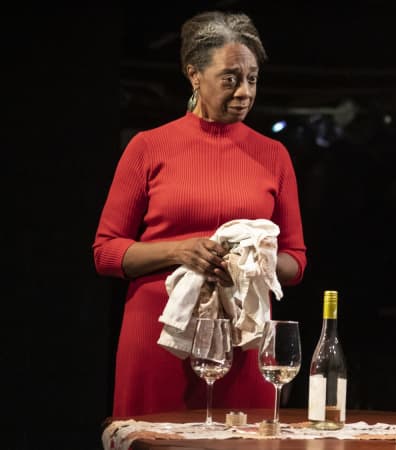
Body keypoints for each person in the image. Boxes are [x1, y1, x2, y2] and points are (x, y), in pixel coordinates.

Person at [93, 10, 307, 416]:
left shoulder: (273, 155)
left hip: (242, 337)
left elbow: (296, 262)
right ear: (194, 75)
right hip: (160, 335)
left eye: (252, 79)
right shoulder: (148, 147)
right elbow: (106, 253)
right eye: (230, 79)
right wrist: (180, 252)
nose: (244, 91)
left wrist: (253, 262)